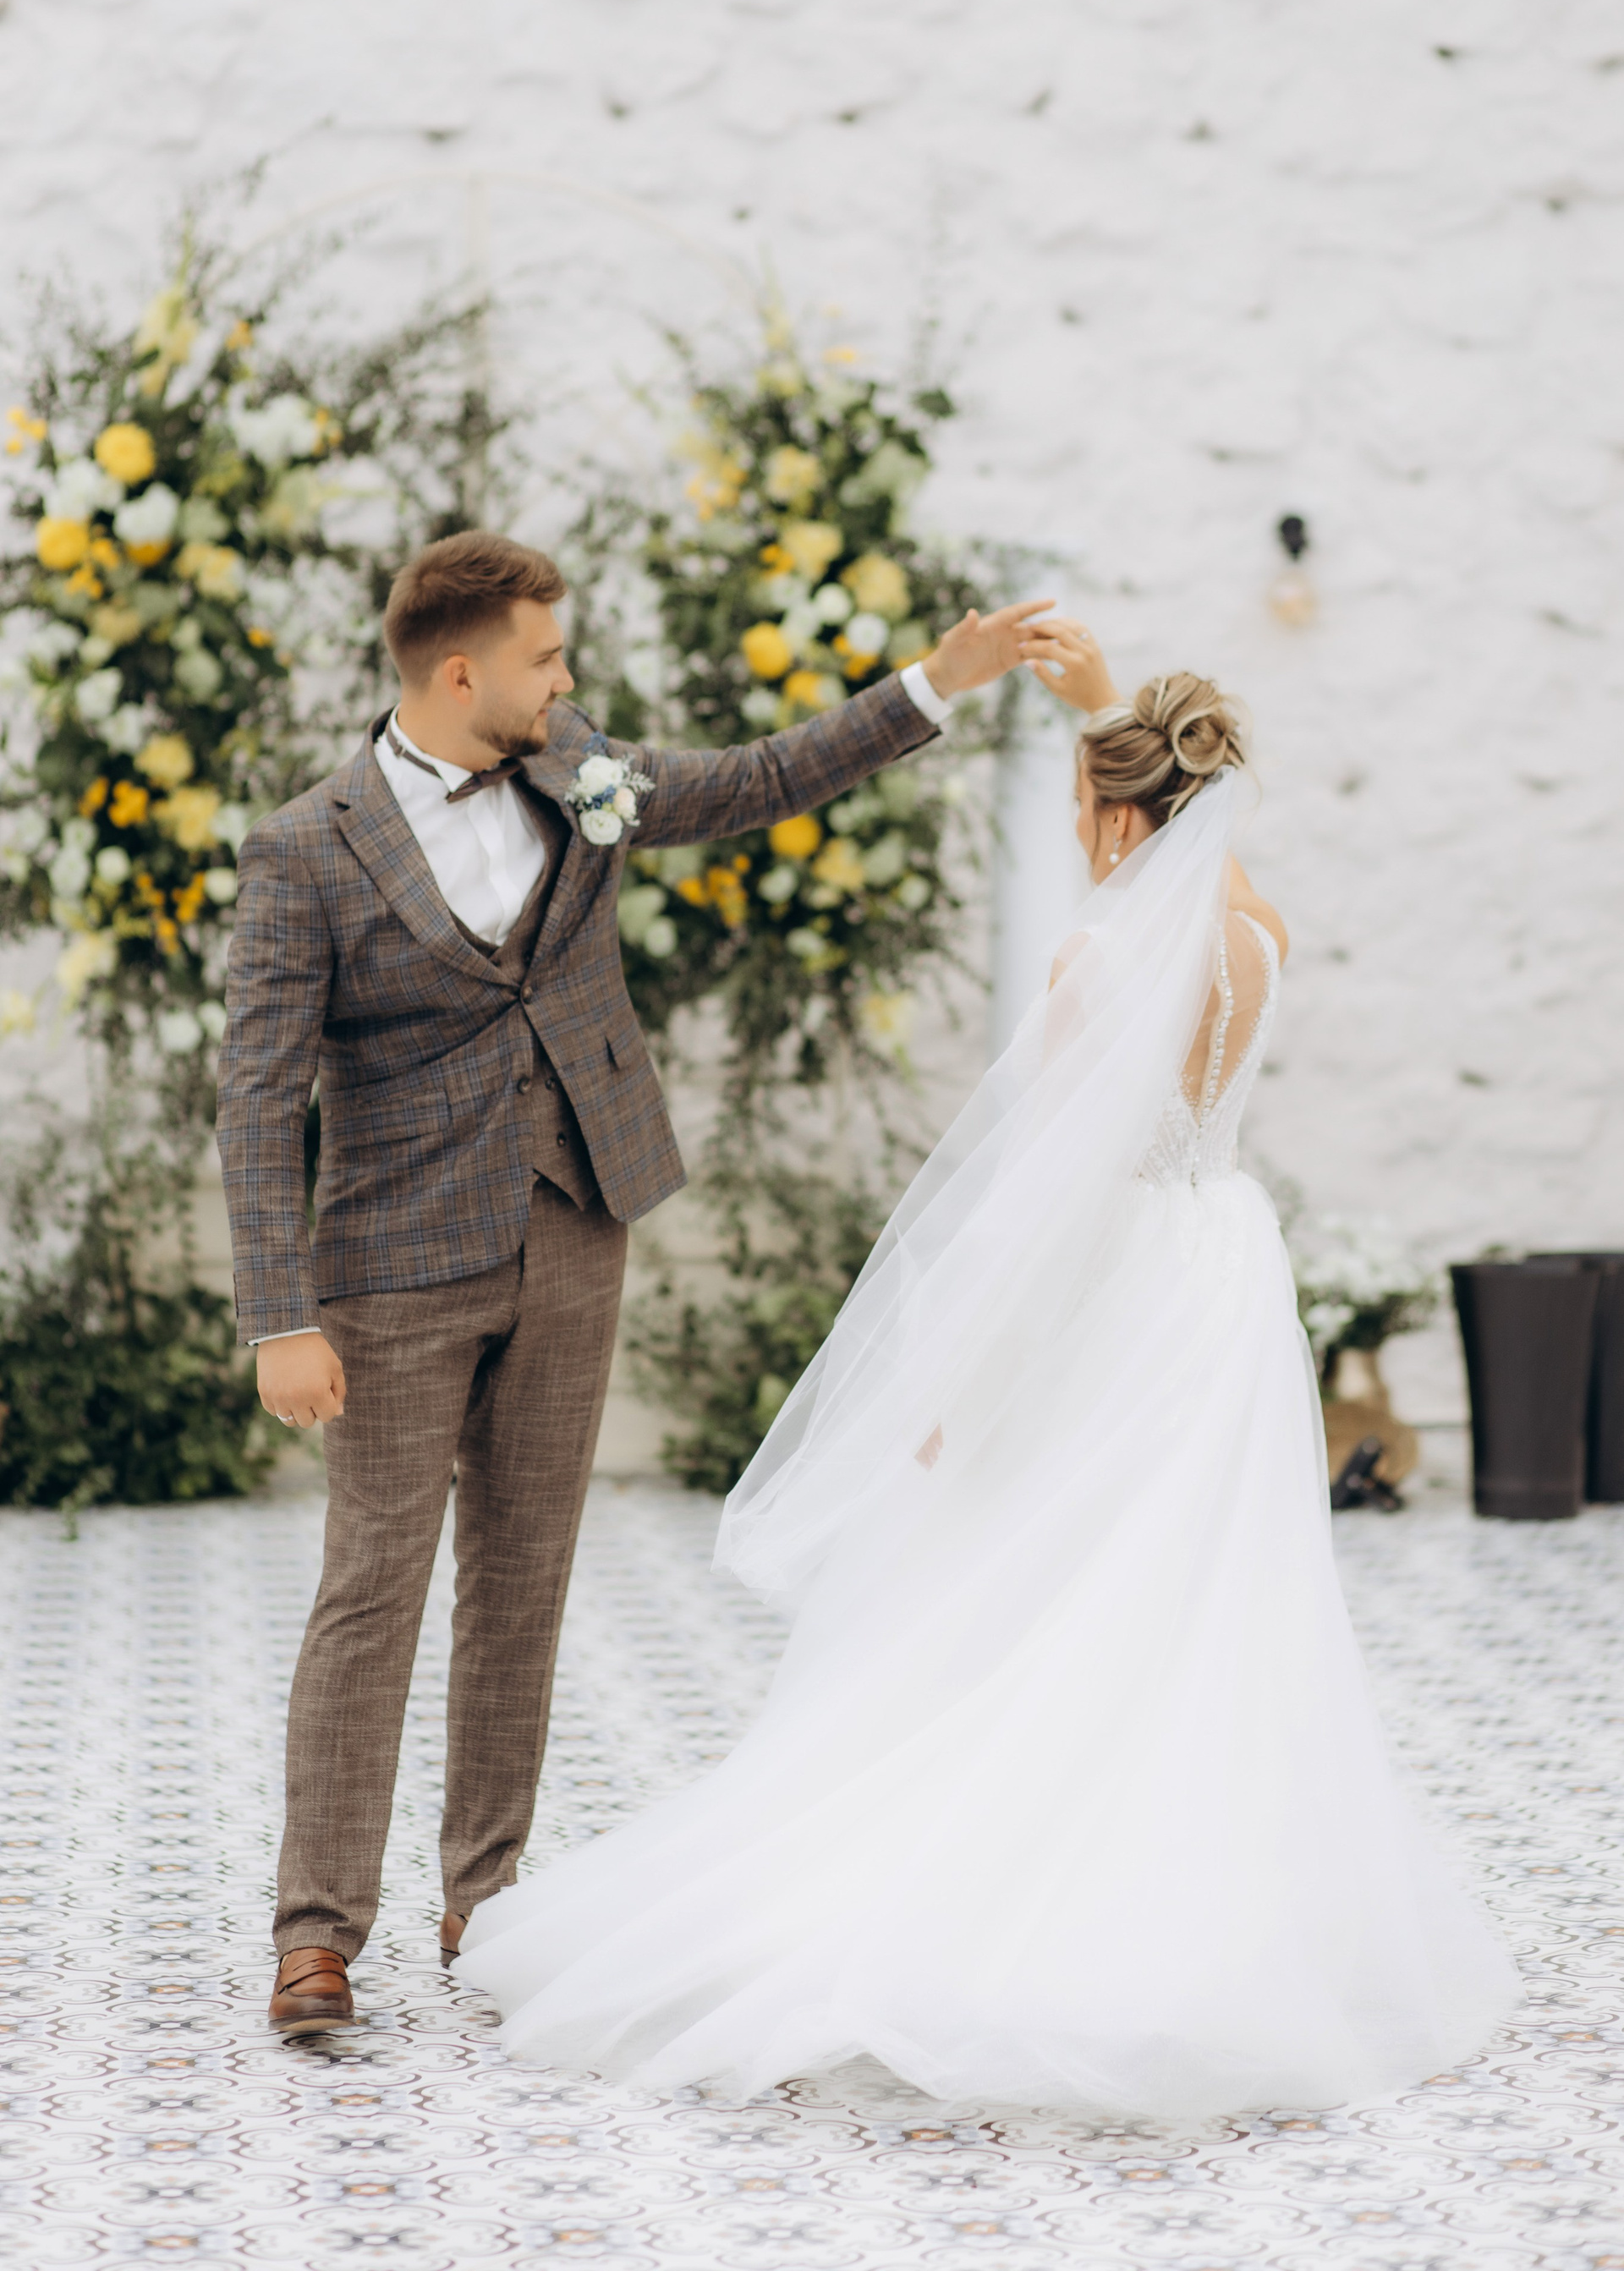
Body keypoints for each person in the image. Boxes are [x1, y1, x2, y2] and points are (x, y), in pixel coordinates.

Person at [455, 623, 1522, 2117]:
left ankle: (1020, 1895)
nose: (1080, 842)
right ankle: (1200, 1895)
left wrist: (962, 1385)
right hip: (1222, 1275)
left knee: (1036, 1578)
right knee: (1195, 1584)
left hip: (1125, 1281)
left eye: (1088, 814)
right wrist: (1118, 715)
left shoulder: (1101, 964)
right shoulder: (1258, 931)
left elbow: (1050, 1202)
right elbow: (1207, 861)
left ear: (1123, 823)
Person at [216, 527, 1055, 2035]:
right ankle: (317, 1931)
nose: (567, 678)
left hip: (574, 1221)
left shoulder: (575, 765)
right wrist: (279, 1313)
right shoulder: (305, 848)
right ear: (458, 673)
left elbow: (755, 779)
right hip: (391, 1265)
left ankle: (488, 1898)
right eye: (544, 657)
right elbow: (259, 1094)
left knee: (523, 1578)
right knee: (372, 1591)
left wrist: (937, 682)